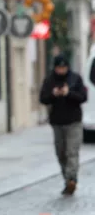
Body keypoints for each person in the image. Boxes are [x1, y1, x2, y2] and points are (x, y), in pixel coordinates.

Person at [39, 54, 87, 195]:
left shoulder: (75, 78)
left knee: (72, 151)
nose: (62, 70)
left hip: (74, 121)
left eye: (64, 67)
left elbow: (83, 97)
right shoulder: (49, 80)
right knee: (61, 153)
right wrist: (54, 94)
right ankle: (67, 180)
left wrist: (68, 93)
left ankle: (72, 179)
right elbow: (43, 99)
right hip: (57, 122)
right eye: (59, 68)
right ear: (55, 68)